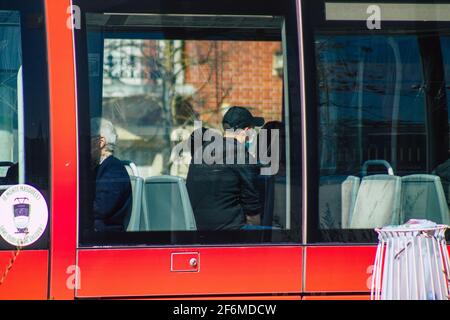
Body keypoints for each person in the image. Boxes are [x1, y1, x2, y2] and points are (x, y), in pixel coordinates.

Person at [186, 106, 263, 230]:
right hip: (229, 233)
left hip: (196, 229)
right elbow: (252, 211)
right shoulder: (241, 156)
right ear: (247, 130)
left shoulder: (202, 150)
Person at [90, 117, 132, 232]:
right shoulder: (100, 168)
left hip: (106, 236)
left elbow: (100, 208)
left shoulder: (114, 169)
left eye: (86, 140)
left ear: (100, 143)